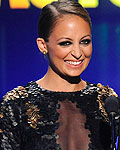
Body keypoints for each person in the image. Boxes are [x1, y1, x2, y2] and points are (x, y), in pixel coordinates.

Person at [0, 0, 119, 149]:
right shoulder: (17, 105)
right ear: (43, 45)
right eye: (65, 43)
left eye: (85, 41)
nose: (77, 53)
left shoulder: (106, 101)